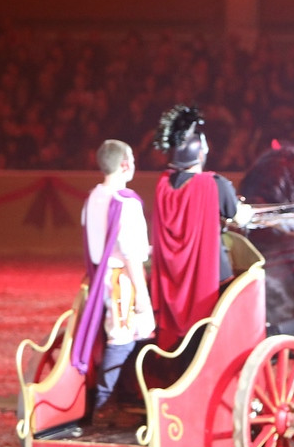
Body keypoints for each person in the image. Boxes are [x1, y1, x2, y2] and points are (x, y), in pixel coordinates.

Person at [150, 105, 253, 351]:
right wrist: (246, 212)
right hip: (210, 276)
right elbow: (239, 218)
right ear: (200, 154)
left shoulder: (163, 184)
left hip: (170, 277)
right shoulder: (213, 184)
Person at [74, 139, 154, 422]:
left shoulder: (93, 197)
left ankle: (121, 396)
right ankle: (106, 403)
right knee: (126, 335)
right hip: (122, 279)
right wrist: (143, 298)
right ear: (124, 164)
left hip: (101, 276)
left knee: (122, 336)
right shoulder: (125, 202)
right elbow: (132, 256)